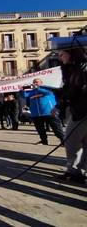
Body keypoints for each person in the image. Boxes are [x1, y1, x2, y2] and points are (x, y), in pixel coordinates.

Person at [54, 47, 87, 183]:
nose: (60, 58)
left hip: (83, 111)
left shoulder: (81, 69)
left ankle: (75, 170)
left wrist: (65, 99)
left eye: (62, 55)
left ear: (71, 54)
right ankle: (77, 170)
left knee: (71, 140)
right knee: (82, 142)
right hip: (78, 110)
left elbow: (76, 90)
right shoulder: (72, 69)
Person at [20, 78, 64, 145]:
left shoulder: (47, 88)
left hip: (49, 112)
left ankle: (64, 141)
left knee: (57, 129)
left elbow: (48, 93)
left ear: (41, 83)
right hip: (36, 114)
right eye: (34, 82)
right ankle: (44, 141)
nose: (35, 83)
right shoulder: (31, 91)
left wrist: (38, 88)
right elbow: (24, 95)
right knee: (40, 130)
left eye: (37, 82)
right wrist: (21, 90)